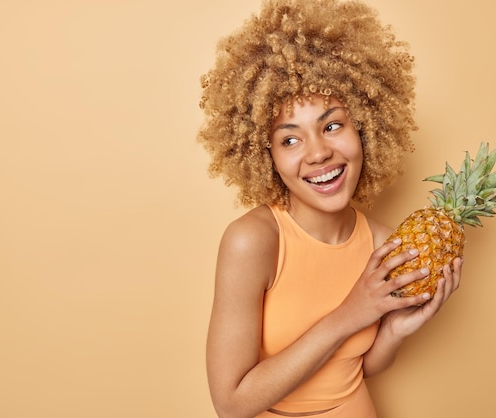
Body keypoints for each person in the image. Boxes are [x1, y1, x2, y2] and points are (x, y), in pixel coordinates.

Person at [197, 0, 463, 417]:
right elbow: (231, 404)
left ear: (366, 126)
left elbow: (356, 368)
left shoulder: (381, 243)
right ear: (264, 154)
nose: (319, 153)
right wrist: (350, 313)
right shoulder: (253, 241)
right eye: (290, 139)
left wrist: (393, 330)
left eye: (332, 125)